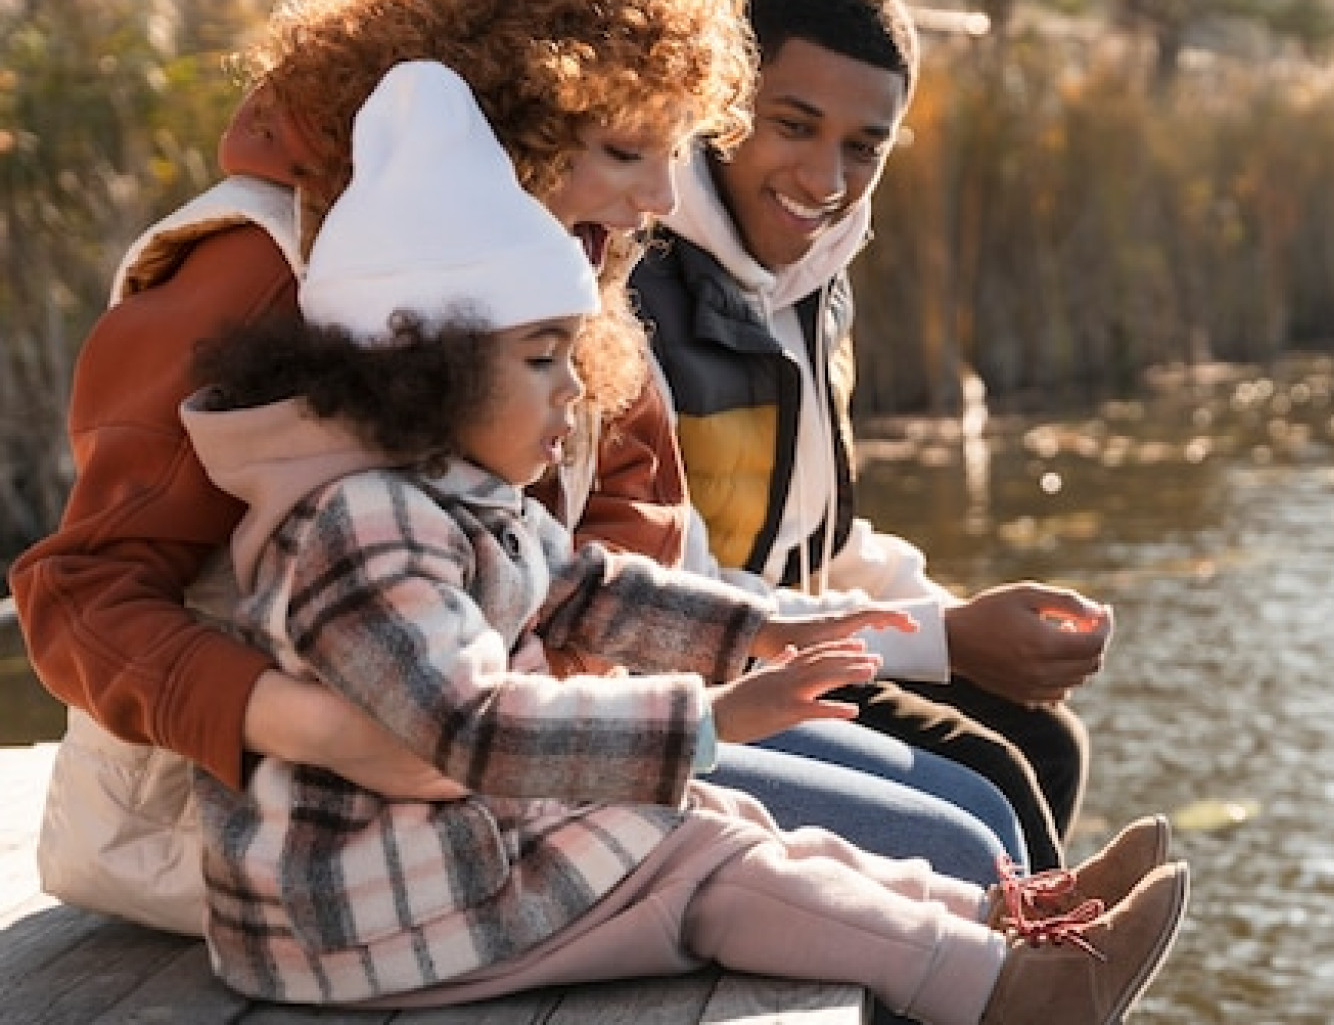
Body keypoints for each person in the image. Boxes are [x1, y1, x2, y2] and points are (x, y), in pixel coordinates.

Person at [7, 0, 1019, 935]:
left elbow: (626, 532)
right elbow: (80, 594)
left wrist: (544, 712)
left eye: (674, 149)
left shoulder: (571, 265)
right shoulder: (258, 272)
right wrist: (313, 723)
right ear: (498, 125)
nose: (664, 200)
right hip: (272, 839)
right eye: (625, 152)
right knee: (958, 853)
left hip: (508, 775)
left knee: (977, 811)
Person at [178, 58, 1188, 1024]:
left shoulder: (453, 494)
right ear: (422, 368)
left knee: (725, 827)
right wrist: (713, 720)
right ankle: (1004, 992)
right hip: (364, 913)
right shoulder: (361, 527)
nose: (574, 390)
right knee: (708, 864)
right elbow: (472, 730)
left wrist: (767, 634)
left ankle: (998, 921)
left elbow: (589, 591)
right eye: (541, 359)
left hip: (443, 861)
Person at [629, 0, 1104, 871]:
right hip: (700, 677)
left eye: (863, 146)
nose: (825, 176)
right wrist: (948, 642)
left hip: (795, 643)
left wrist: (956, 618)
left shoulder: (814, 287)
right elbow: (674, 597)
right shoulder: (640, 294)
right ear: (727, 99)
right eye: (794, 126)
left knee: (1048, 742)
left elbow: (817, 542)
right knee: (992, 776)